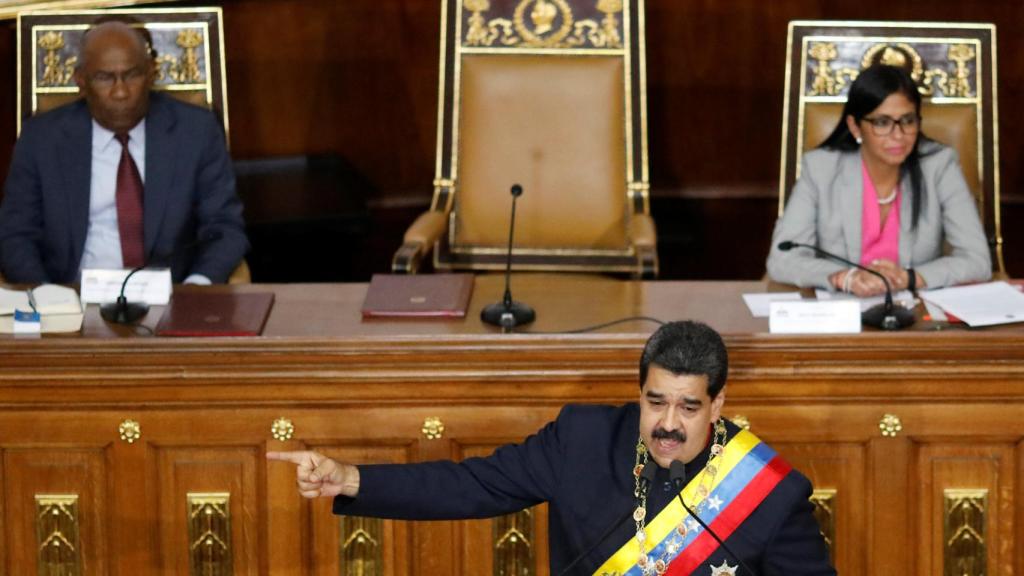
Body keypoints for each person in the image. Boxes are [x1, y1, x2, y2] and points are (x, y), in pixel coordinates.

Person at [269, 321, 836, 575]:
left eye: (688, 408)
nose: (667, 425)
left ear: (717, 405)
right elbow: (473, 485)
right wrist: (351, 479)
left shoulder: (768, 491)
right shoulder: (582, 440)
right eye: (654, 402)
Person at [0, 19, 247, 285]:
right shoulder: (42, 139)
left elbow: (224, 228)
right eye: (105, 78)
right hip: (72, 297)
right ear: (80, 81)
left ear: (152, 73)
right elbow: (15, 235)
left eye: (132, 75)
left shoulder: (196, 131)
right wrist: (49, 298)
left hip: (173, 296)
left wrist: (196, 287)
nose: (120, 91)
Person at [766, 64, 990, 297]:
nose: (898, 135)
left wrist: (909, 278)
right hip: (839, 315)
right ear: (855, 127)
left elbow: (977, 260)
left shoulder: (940, 166)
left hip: (915, 316)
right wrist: (846, 277)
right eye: (882, 122)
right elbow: (782, 259)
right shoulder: (821, 169)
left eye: (908, 120)